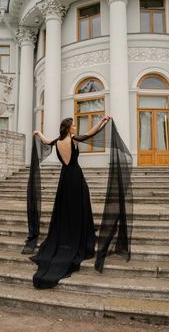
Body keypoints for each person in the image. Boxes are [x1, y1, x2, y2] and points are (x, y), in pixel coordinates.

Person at [28, 115, 111, 289]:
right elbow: (90, 134)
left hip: (64, 178)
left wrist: (38, 132)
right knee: (80, 203)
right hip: (76, 176)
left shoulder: (57, 141)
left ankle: (69, 229)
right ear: (68, 128)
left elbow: (45, 141)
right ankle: (80, 231)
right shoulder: (73, 140)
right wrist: (102, 121)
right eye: (73, 125)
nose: (75, 127)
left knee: (65, 206)